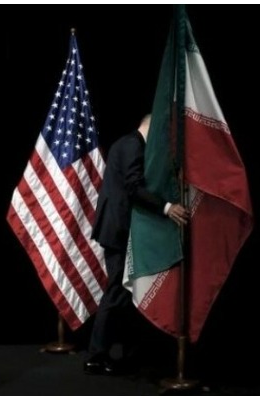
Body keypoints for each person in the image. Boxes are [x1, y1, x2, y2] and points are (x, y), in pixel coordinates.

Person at [85, 114, 189, 375]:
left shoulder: (127, 143)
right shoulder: (133, 145)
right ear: (151, 128)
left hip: (118, 227)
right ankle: (95, 356)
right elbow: (134, 187)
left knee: (123, 294)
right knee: (116, 293)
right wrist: (166, 207)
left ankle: (123, 353)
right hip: (118, 229)